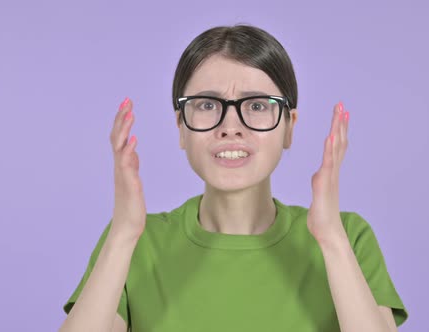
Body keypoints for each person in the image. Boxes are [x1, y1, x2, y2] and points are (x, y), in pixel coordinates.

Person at [59, 24, 408, 332]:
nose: (230, 128)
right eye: (207, 105)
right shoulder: (134, 242)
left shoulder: (348, 237)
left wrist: (331, 239)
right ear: (181, 128)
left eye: (256, 106)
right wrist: (122, 236)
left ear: (290, 127)